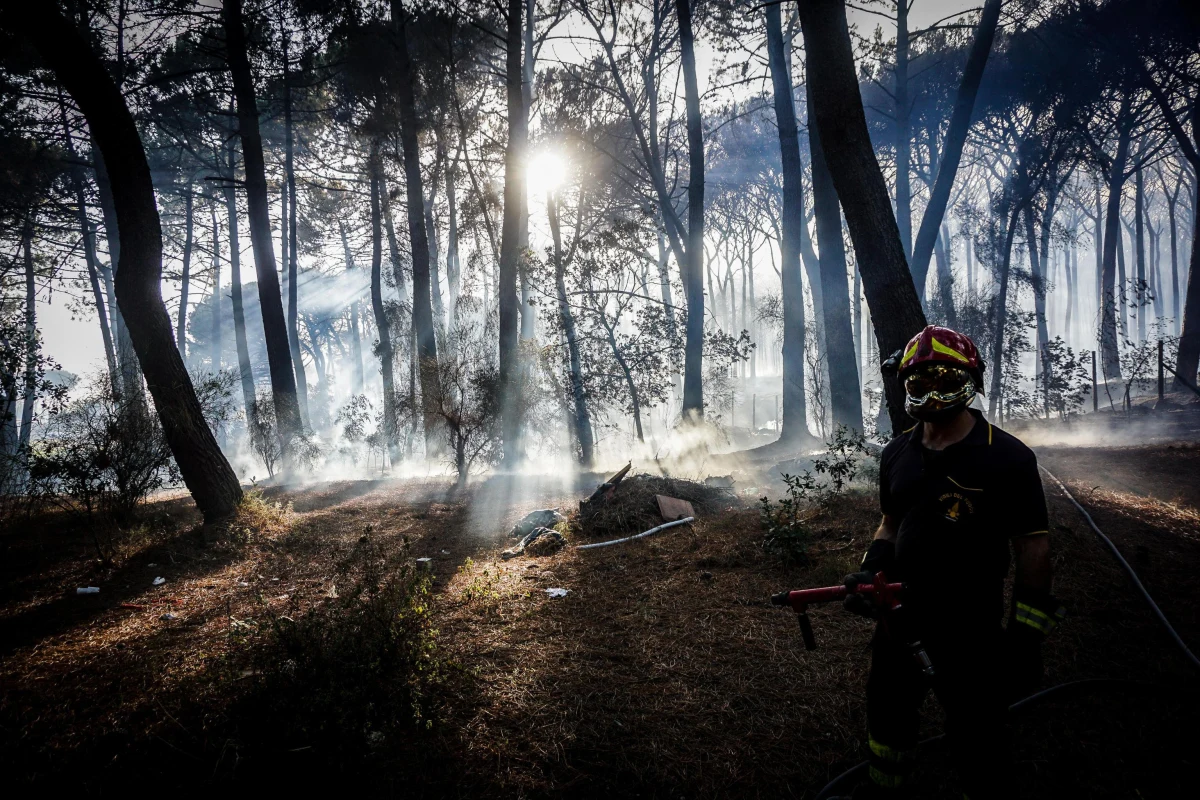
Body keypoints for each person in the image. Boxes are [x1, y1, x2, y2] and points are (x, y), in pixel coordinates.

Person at [838, 325, 1064, 799]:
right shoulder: (896, 452)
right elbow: (890, 524)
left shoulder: (1007, 457)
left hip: (970, 631)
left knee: (978, 734)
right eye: (918, 383)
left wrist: (1025, 639)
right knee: (887, 715)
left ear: (971, 380)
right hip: (899, 621)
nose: (930, 391)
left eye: (944, 378)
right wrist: (871, 572)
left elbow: (1033, 547)